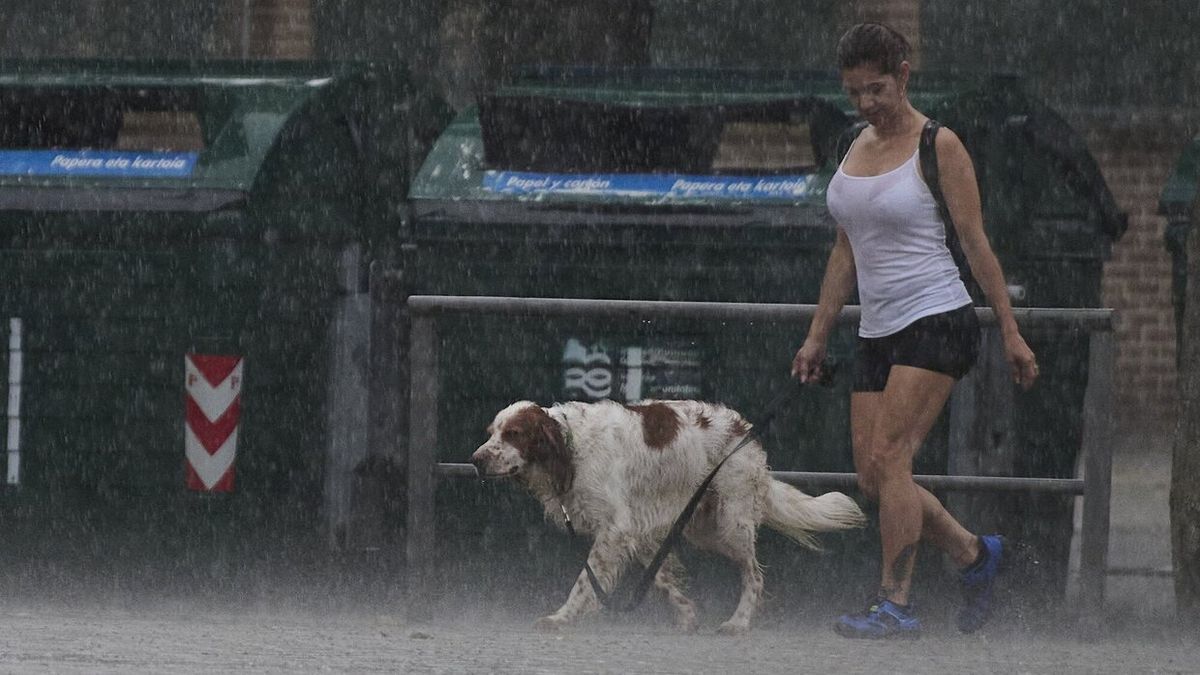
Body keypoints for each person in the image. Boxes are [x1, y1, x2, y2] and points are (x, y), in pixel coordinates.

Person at [791, 22, 1039, 639]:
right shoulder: (852, 144)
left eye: (877, 89)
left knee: (892, 456)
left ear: (904, 75)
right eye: (854, 93)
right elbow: (846, 250)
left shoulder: (940, 145)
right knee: (874, 480)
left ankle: (895, 603)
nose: (867, 103)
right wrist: (818, 334)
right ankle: (975, 555)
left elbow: (976, 244)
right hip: (877, 331)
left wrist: (1010, 331)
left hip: (937, 317)